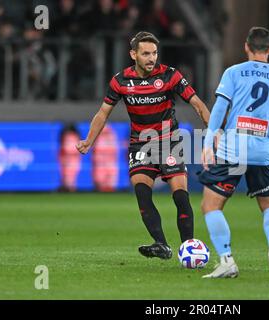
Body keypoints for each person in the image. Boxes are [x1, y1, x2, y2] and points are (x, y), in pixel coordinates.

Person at [76, 31, 210, 260]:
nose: (151, 58)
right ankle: (161, 245)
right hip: (141, 144)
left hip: (170, 141)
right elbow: (103, 113)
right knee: (142, 192)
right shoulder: (120, 81)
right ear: (133, 54)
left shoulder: (170, 76)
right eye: (146, 53)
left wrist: (215, 133)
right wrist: (89, 140)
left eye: (154, 53)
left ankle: (190, 248)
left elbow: (197, 104)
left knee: (180, 196)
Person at [199, 27, 269, 279]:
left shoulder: (233, 73)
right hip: (263, 150)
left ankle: (227, 261)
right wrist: (266, 118)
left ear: (246, 47)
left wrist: (209, 140)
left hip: (233, 149)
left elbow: (220, 107)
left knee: (211, 206)